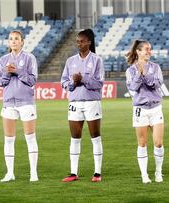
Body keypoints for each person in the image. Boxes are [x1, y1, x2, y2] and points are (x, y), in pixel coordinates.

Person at [61, 29, 104, 182]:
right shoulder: (70, 61)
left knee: (95, 137)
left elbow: (99, 83)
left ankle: (97, 173)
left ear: (89, 42)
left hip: (92, 102)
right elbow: (63, 82)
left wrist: (83, 80)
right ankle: (73, 173)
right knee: (74, 138)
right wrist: (72, 83)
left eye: (82, 41)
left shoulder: (97, 60)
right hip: (74, 103)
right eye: (77, 41)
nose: (79, 44)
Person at [0, 30, 39, 182]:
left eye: (16, 39)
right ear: (8, 42)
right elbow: (0, 82)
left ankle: (33, 173)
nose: (13, 41)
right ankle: (10, 173)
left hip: (26, 102)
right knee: (8, 139)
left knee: (30, 137)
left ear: (22, 41)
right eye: (11, 39)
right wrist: (7, 72)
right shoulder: (3, 59)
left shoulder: (29, 58)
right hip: (8, 103)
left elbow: (33, 80)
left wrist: (18, 71)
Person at [125, 39, 165, 184]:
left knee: (158, 143)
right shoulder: (130, 70)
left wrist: (145, 73)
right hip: (140, 110)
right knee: (142, 143)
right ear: (138, 51)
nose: (149, 52)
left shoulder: (156, 67)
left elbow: (156, 84)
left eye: (150, 49)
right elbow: (133, 87)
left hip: (155, 108)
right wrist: (139, 74)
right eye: (146, 49)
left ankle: (158, 172)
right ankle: (144, 175)